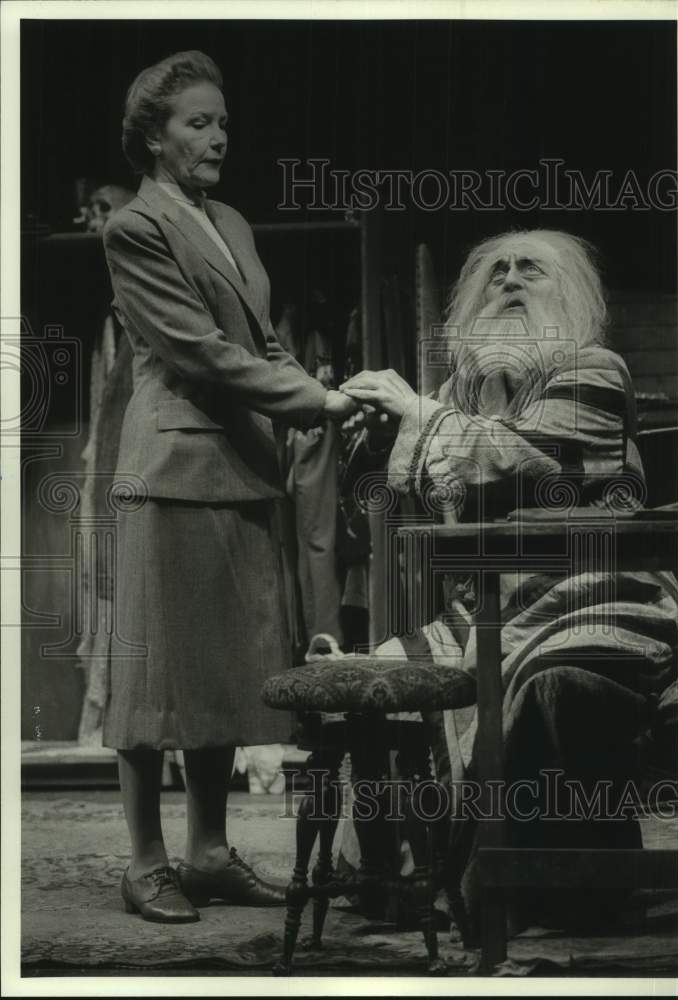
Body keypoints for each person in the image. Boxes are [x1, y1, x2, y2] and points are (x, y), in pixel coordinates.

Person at [340, 229, 678, 935]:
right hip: (490, 607)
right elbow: (402, 480)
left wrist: (416, 416)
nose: (511, 280)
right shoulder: (473, 389)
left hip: (597, 593)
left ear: (571, 297)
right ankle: (401, 879)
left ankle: (498, 883)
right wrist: (375, 433)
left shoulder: (594, 368)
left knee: (544, 680)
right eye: (496, 272)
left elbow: (527, 459)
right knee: (376, 677)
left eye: (531, 270)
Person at [101, 51, 356, 923]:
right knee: (152, 674)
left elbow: (260, 342)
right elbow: (196, 351)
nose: (217, 138)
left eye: (222, 123)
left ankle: (207, 852)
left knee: (217, 672)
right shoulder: (133, 228)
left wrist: (325, 399)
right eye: (197, 123)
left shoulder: (234, 224)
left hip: (241, 464)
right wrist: (310, 399)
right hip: (172, 467)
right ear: (153, 137)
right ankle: (144, 863)